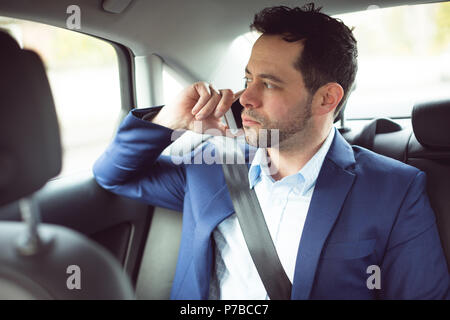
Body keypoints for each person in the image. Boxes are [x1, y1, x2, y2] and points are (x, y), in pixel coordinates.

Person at [93, 4, 449, 299]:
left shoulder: (394, 191)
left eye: (269, 83)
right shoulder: (213, 163)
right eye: (248, 79)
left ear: (327, 98)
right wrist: (166, 120)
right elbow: (114, 175)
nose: (245, 97)